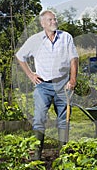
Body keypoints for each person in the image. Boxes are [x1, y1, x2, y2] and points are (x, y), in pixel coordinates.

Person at [15, 10, 79, 160]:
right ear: (42, 23)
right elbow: (20, 56)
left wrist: (72, 80)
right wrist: (30, 74)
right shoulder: (35, 40)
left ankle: (63, 154)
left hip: (63, 84)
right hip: (43, 85)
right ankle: (37, 155)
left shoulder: (66, 37)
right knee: (39, 118)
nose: (54, 22)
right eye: (50, 20)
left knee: (64, 118)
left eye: (55, 19)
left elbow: (73, 59)